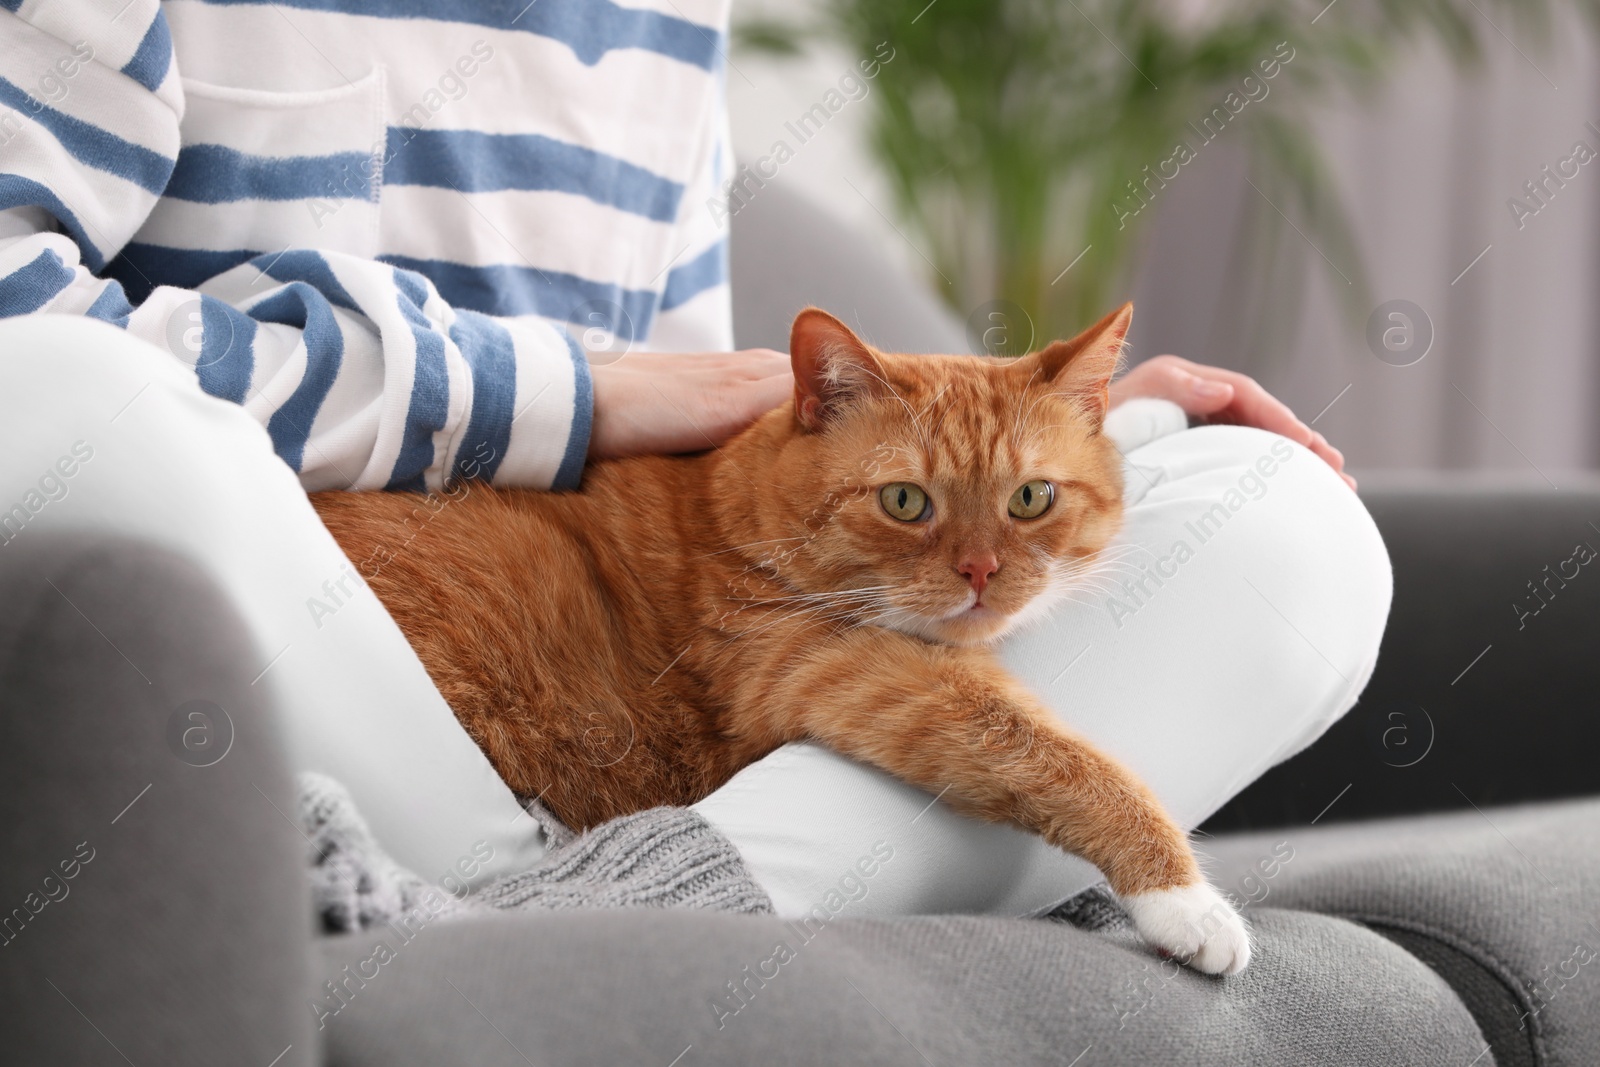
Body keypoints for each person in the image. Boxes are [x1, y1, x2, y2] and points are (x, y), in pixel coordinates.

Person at [0, 0, 1385, 926]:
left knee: (1297, 531)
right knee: (44, 396)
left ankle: (592, 944)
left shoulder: (674, 21)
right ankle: (646, 950)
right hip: (325, 690)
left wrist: (1060, 437)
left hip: (640, 776)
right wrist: (553, 394)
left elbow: (735, 463)